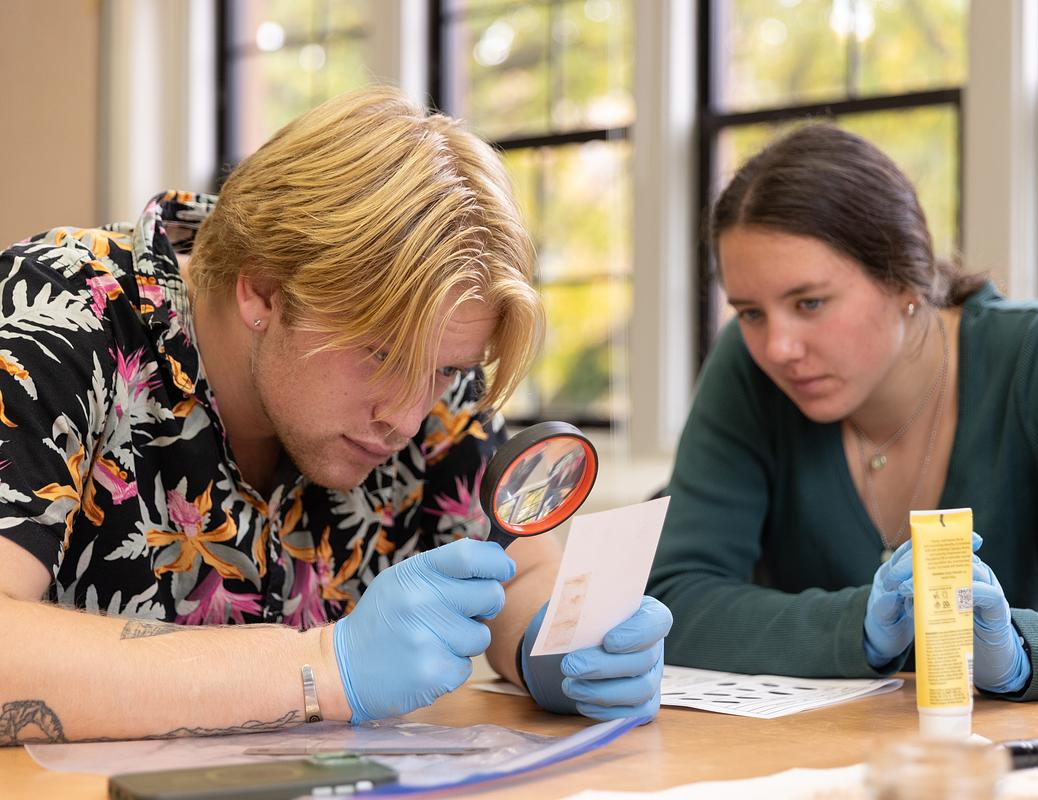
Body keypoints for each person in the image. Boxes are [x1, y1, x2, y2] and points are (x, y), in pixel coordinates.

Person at [0, 86, 670, 746]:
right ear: (262, 288)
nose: (407, 418)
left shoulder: (429, 373)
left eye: (448, 370)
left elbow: (518, 572)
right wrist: (319, 668)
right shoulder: (51, 312)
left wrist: (556, 643)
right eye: (380, 355)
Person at [647, 123, 1038, 700]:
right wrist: (855, 623)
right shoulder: (746, 363)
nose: (778, 347)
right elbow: (675, 599)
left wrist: (1022, 650)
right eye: (750, 312)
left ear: (904, 277)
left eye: (809, 303)